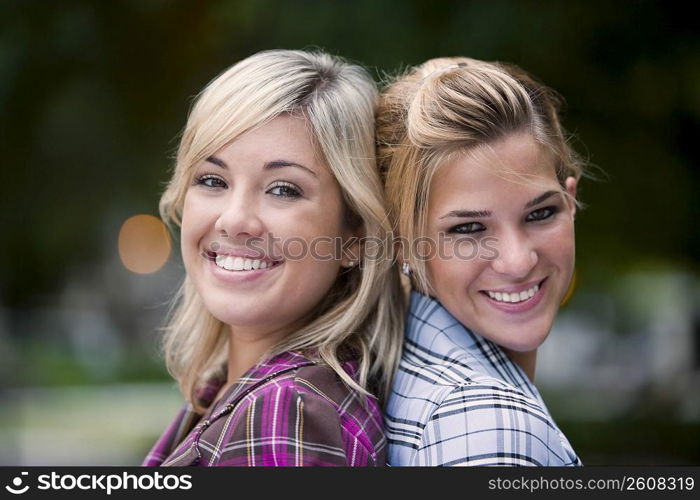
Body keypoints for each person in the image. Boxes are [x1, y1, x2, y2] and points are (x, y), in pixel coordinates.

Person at [142, 49, 404, 467]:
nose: (234, 220)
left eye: (283, 189)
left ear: (355, 236)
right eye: (212, 180)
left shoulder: (287, 415)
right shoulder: (234, 391)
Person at [377, 57, 583, 466]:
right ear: (401, 242)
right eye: (468, 229)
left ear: (571, 199)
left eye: (541, 213)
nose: (518, 261)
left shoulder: (400, 368)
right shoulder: (493, 431)